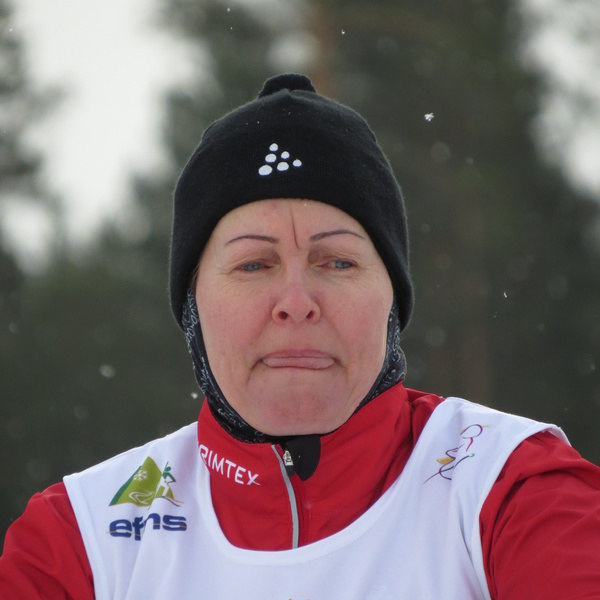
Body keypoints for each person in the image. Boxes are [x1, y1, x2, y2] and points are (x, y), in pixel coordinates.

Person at [1, 73, 599, 599]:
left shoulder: (510, 484)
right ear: (194, 306)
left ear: (391, 298)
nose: (295, 303)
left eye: (337, 262)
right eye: (252, 265)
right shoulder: (81, 539)